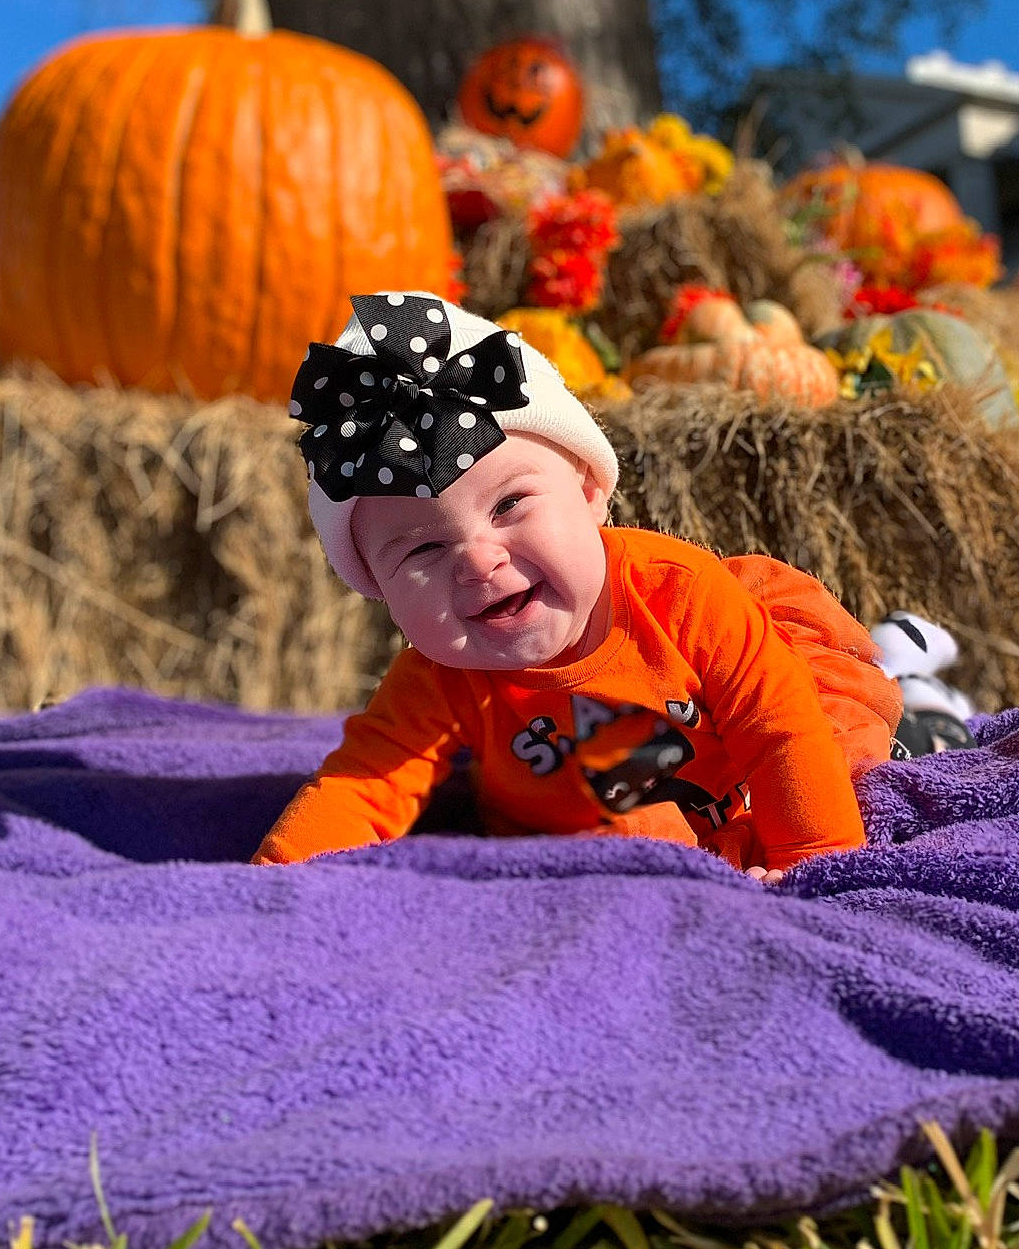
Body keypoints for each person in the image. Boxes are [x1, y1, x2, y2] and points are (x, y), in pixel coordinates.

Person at [253, 292, 904, 882]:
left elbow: (778, 726)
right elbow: (361, 787)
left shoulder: (682, 596)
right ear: (379, 591)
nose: (479, 560)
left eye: (508, 504)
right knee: (629, 845)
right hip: (600, 846)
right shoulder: (440, 675)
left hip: (750, 792)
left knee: (840, 745)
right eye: (424, 547)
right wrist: (266, 893)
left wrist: (814, 866)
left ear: (592, 491)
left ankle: (915, 690)